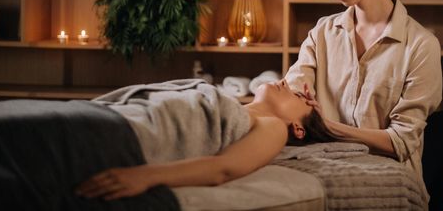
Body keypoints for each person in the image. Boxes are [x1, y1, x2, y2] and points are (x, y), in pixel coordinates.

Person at [285, 0, 442, 198]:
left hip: (390, 185)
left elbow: (400, 142)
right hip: (325, 171)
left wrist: (329, 127)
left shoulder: (421, 46)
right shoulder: (322, 33)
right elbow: (293, 92)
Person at [69, 79, 341, 200]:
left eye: (297, 96)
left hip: (128, 132)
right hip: (114, 113)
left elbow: (222, 169)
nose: (286, 82)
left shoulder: (274, 128)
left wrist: (144, 176)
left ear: (299, 129)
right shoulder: (237, 107)